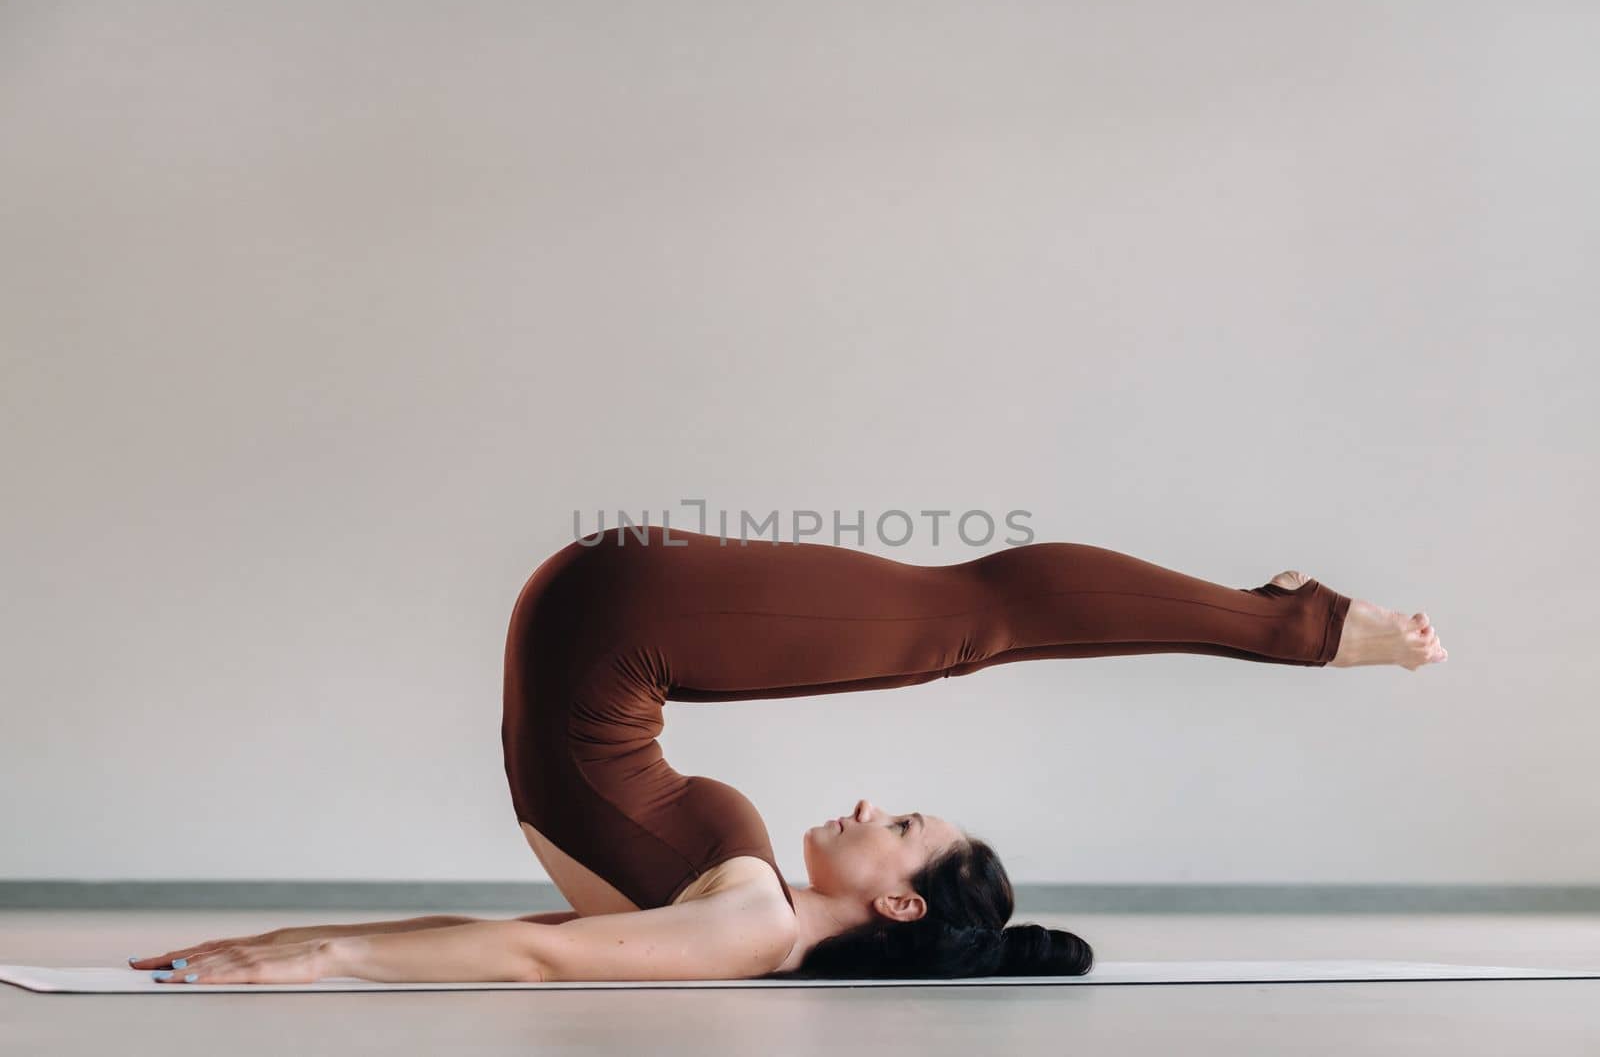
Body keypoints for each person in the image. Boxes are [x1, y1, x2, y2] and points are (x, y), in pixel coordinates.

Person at [130, 525, 1444, 985]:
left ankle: (1307, 629)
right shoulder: (740, 917)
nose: (875, 800)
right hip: (613, 624)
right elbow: (508, 928)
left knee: (965, 621)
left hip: (618, 621)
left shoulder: (749, 929)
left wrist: (309, 955)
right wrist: (298, 944)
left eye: (905, 821)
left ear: (898, 898)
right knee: (960, 621)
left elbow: (525, 948)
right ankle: (1292, 626)